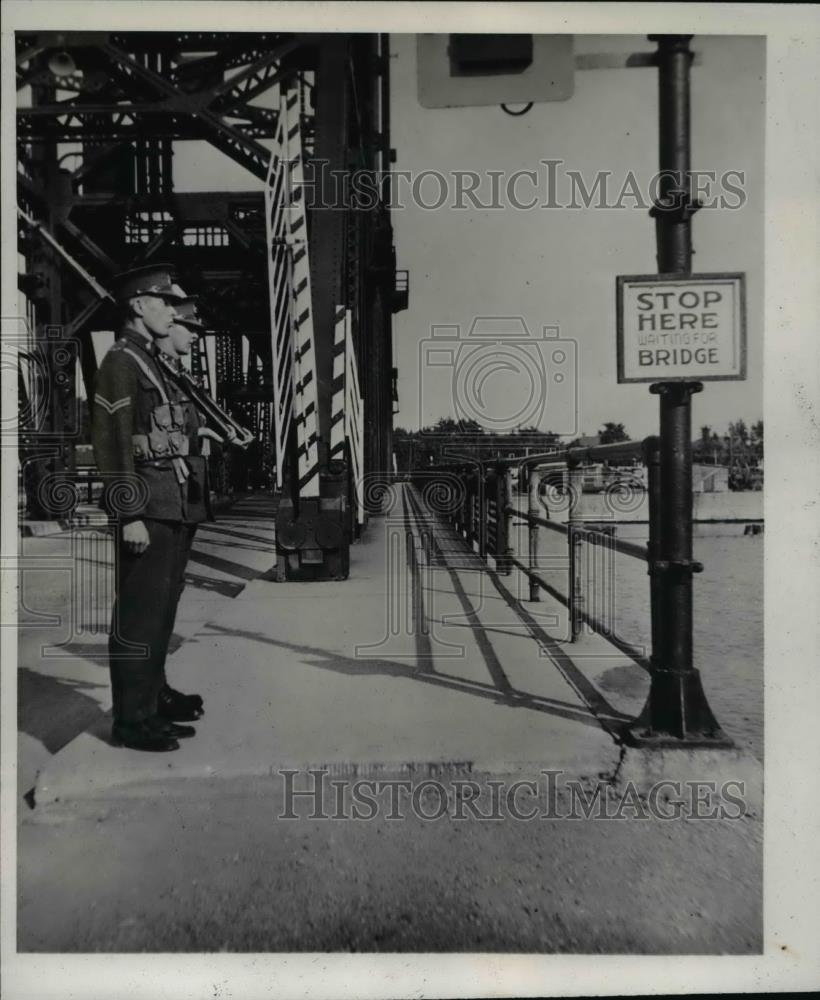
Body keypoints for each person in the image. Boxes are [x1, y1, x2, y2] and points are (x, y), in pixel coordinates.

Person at [92, 265, 207, 752]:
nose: (172, 310)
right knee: (139, 615)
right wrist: (129, 514)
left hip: (171, 504)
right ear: (139, 306)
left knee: (161, 611)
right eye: (164, 302)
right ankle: (131, 720)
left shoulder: (150, 360)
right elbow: (113, 443)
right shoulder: (120, 362)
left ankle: (152, 699)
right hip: (148, 507)